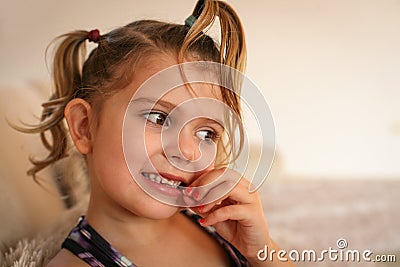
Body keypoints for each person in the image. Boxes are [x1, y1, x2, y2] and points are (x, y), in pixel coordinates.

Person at [20, 0, 295, 266]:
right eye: (159, 117)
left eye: (205, 133)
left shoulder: (218, 229)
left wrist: (263, 252)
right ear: (84, 127)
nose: (186, 151)